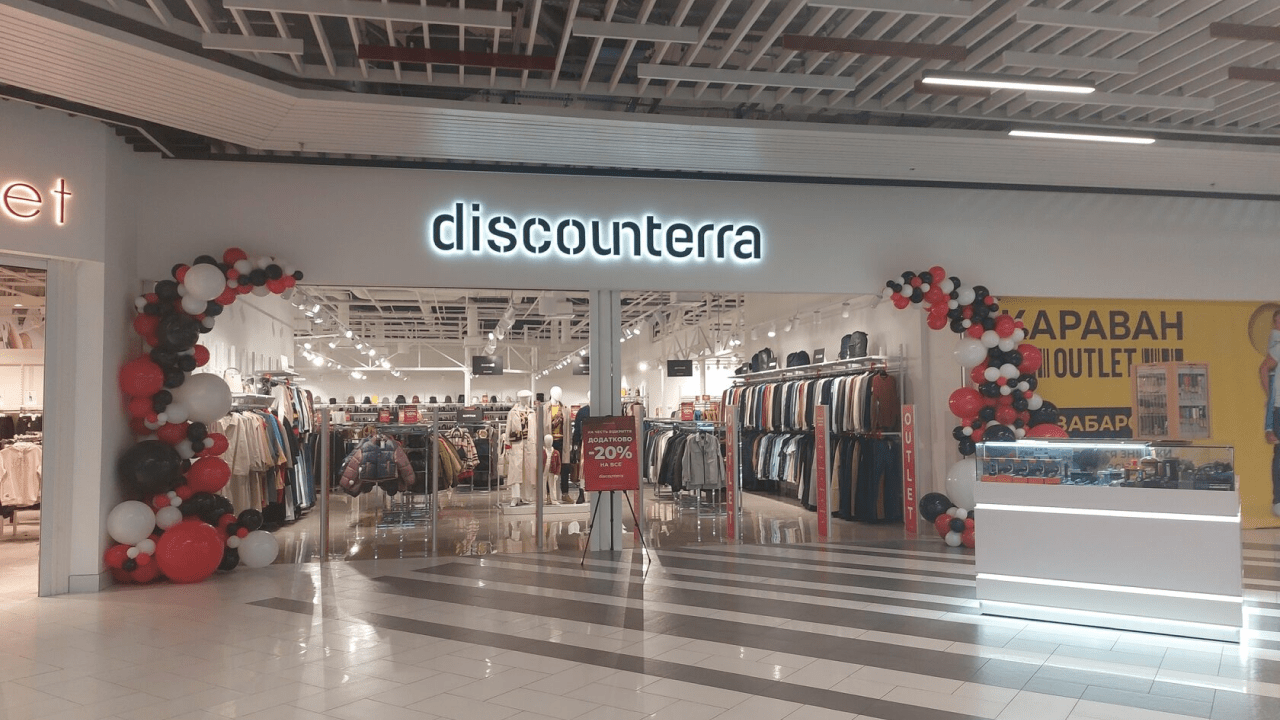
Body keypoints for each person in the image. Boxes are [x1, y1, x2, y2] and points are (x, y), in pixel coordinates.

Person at [1260, 309, 1280, 515]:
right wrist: (1271, 394)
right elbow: (1264, 368)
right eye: (1277, 322)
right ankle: (1278, 501)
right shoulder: (1277, 342)